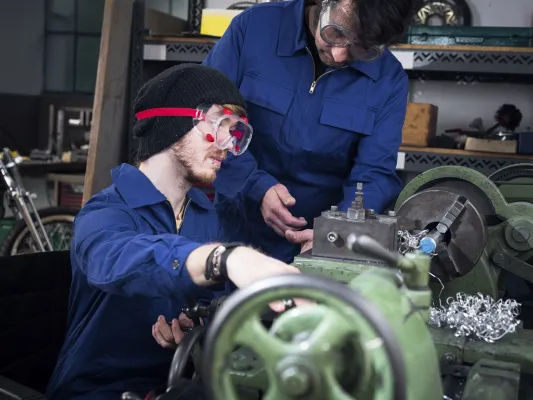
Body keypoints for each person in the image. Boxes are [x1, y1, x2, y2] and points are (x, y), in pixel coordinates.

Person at [45, 64, 301, 400]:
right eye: (219, 125)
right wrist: (221, 259)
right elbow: (118, 258)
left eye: (236, 133)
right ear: (174, 122)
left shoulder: (212, 216)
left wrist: (198, 329)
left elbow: (219, 307)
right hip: (98, 391)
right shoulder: (103, 214)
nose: (228, 145)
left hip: (178, 384)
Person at [202, 0, 413, 261]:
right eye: (335, 33)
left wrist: (338, 231)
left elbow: (374, 174)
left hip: (317, 244)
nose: (338, 55)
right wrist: (255, 186)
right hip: (230, 226)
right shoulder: (253, 29)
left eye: (361, 47)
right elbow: (209, 117)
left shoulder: (388, 79)